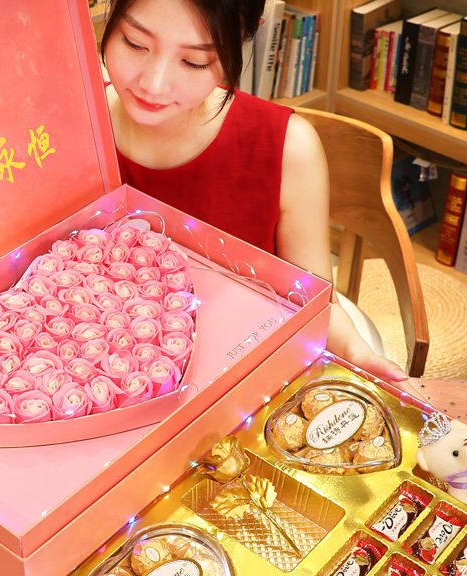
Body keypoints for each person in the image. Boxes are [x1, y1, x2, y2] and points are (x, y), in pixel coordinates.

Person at [100, 0, 411, 385]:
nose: (154, 84)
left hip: (236, 380)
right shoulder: (71, 117)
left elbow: (311, 299)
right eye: (135, 43)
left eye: (194, 62)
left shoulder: (286, 148)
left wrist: (353, 351)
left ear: (243, 39)